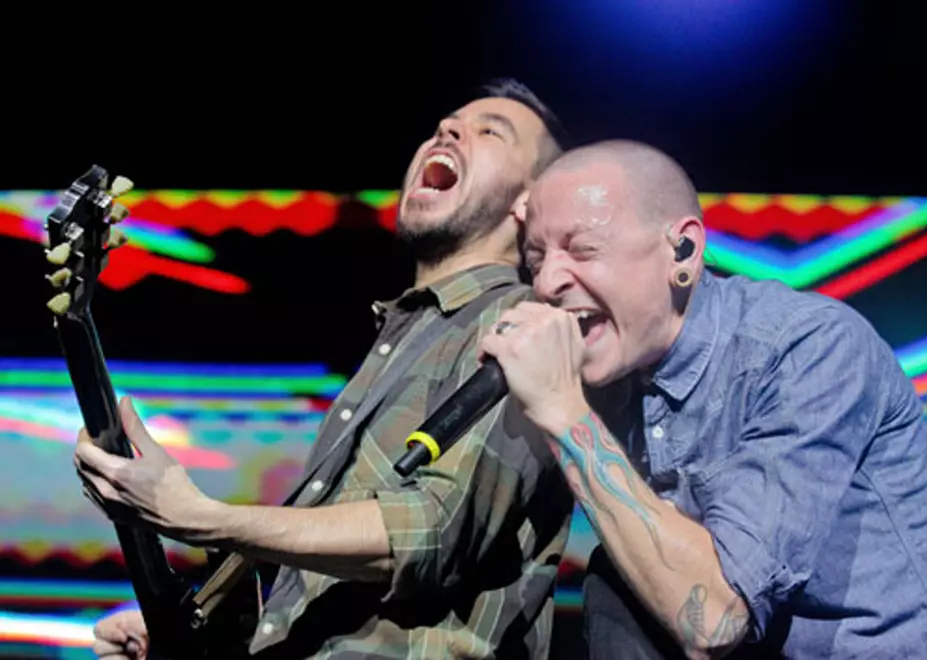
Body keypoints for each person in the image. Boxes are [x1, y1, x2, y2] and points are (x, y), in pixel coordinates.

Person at [75, 78, 575, 659]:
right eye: (448, 122)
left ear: (529, 203)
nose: (448, 130)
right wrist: (191, 630)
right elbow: (337, 600)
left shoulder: (518, 324)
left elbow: (430, 530)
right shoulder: (404, 340)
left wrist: (202, 517)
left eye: (490, 131)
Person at [479, 139, 927, 659]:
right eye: (535, 259)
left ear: (682, 251)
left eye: (584, 250)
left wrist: (565, 414)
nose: (547, 282)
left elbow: (714, 620)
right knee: (616, 583)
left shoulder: (809, 347)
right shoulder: (612, 364)